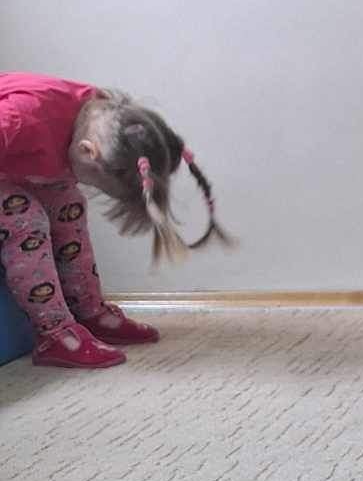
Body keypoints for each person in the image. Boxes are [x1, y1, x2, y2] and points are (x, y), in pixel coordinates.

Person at [0, 73, 230, 369]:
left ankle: (88, 311)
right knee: (25, 218)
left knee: (69, 205)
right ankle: (54, 334)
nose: (90, 185)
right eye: (95, 181)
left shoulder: (106, 118)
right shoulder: (19, 119)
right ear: (87, 151)